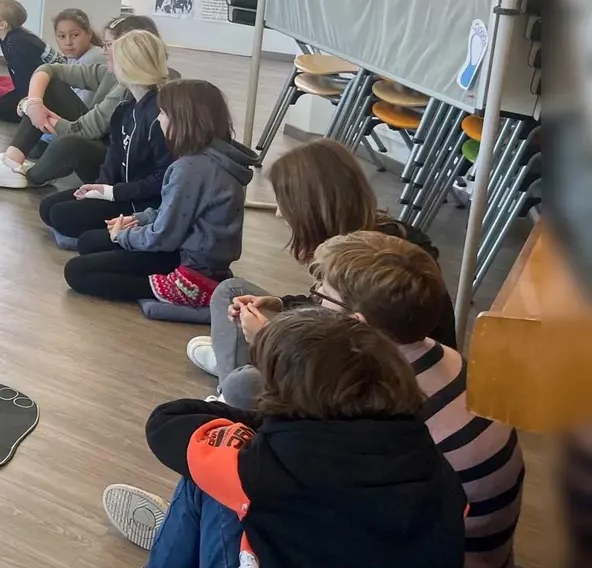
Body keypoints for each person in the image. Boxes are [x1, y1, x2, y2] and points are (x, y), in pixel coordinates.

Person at [113, 233, 521, 567]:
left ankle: (183, 538)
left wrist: (271, 349)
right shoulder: (426, 366)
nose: (312, 303)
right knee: (224, 463)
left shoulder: (360, 405)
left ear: (357, 325)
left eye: (320, 298)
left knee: (220, 474)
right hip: (410, 542)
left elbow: (174, 426)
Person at [122, 309, 466, 566]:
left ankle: (176, 546)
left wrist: (261, 420)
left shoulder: (269, 467)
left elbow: (165, 422)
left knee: (208, 475)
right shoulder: (426, 455)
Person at [186, 138, 450, 403]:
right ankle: (236, 368)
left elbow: (349, 357)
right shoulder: (372, 239)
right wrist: (281, 303)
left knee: (242, 386)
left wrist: (267, 339)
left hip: (367, 380)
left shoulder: (372, 264)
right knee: (231, 292)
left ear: (310, 206)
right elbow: (330, 309)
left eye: (285, 203)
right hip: (352, 349)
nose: (279, 213)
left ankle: (235, 379)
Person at [64, 79, 257, 306]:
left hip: (190, 267)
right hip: (198, 256)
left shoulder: (191, 168)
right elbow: (175, 211)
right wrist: (138, 219)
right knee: (89, 242)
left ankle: (196, 293)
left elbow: (163, 236)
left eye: (163, 113)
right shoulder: (213, 157)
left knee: (76, 271)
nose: (158, 119)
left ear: (183, 120)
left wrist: (121, 236)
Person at [0, 14, 163, 190]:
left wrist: (34, 111)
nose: (103, 50)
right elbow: (48, 69)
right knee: (45, 93)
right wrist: (34, 103)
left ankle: (24, 174)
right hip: (98, 140)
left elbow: (85, 130)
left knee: (67, 145)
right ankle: (11, 162)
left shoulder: (129, 86)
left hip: (113, 164)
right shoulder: (111, 73)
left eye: (109, 45)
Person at [34, 30, 174, 247]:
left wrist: (113, 192)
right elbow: (114, 155)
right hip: (120, 191)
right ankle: (95, 233)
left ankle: (110, 234)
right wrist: (98, 188)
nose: (107, 55)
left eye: (113, 55)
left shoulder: (159, 116)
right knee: (48, 208)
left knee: (61, 216)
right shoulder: (125, 107)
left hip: (140, 201)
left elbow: (163, 179)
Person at [0, 0, 55, 123]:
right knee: (5, 103)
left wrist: (28, 102)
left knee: (4, 108)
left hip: (50, 87)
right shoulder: (11, 38)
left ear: (3, 25)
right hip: (42, 83)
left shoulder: (16, 43)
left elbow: (24, 76)